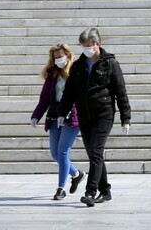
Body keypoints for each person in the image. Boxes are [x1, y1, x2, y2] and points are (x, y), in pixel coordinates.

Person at [58, 28, 131, 207]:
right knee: (93, 154)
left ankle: (91, 192)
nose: (86, 49)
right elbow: (69, 92)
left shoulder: (110, 63)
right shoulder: (78, 65)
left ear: (97, 44)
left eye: (89, 45)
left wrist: (125, 117)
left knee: (96, 152)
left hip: (103, 114)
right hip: (84, 115)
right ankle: (105, 191)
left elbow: (120, 91)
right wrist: (62, 112)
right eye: (83, 46)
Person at [30, 44, 85, 200]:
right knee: (55, 153)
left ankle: (61, 188)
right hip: (55, 115)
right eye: (55, 57)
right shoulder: (52, 74)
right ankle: (76, 174)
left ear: (68, 55)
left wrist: (70, 111)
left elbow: (80, 96)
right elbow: (45, 98)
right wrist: (36, 115)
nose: (58, 60)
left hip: (71, 116)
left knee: (62, 152)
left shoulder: (77, 71)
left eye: (61, 56)